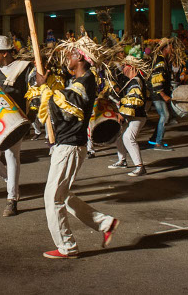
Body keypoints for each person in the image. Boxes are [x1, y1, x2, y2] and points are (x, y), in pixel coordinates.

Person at [36, 35, 119, 258]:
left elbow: (68, 104)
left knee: (52, 197)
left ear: (81, 57)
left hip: (70, 146)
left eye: (71, 53)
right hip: (67, 145)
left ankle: (67, 247)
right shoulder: (79, 81)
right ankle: (105, 224)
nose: (67, 57)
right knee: (61, 196)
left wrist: (45, 89)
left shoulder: (86, 81)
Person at [0, 35, 36, 217]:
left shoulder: (26, 68)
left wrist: (31, 115)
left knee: (12, 156)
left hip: (16, 119)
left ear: (5, 53)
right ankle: (9, 179)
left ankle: (12, 199)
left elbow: (35, 93)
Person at [109, 55, 148, 177]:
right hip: (133, 116)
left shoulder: (136, 81)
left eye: (125, 66)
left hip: (138, 116)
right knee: (120, 136)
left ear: (131, 67)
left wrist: (121, 113)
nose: (123, 68)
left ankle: (140, 167)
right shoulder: (132, 81)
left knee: (128, 137)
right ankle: (122, 160)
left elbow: (133, 101)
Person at [149, 38, 175, 151]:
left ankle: (155, 139)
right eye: (171, 47)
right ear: (165, 48)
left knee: (164, 116)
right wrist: (163, 94)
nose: (172, 49)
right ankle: (158, 143)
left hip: (159, 93)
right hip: (158, 94)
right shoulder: (160, 61)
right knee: (165, 116)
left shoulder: (163, 60)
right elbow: (156, 79)